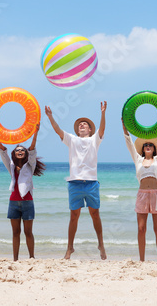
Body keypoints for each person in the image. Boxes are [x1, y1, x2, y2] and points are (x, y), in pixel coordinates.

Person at [45, 102, 107, 260]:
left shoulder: (94, 140)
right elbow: (58, 130)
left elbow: (102, 129)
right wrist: (51, 116)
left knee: (95, 214)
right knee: (74, 216)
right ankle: (70, 248)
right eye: (80, 124)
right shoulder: (72, 139)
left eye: (85, 124)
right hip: (74, 182)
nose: (82, 125)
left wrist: (103, 113)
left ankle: (101, 243)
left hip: (91, 182)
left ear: (90, 129)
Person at [0, 124, 45, 261]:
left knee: (28, 232)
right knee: (15, 232)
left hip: (27, 203)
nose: (20, 151)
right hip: (13, 203)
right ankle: (15, 259)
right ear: (14, 154)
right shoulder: (11, 166)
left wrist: (35, 134)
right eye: (17, 150)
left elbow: (32, 151)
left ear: (25, 154)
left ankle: (32, 257)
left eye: (22, 150)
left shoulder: (30, 166)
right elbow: (3, 153)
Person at [122, 115, 157, 262]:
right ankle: (142, 260)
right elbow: (130, 145)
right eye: (145, 145)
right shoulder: (138, 160)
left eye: (150, 145)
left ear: (154, 148)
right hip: (142, 195)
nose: (148, 146)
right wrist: (125, 128)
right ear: (143, 149)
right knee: (141, 229)